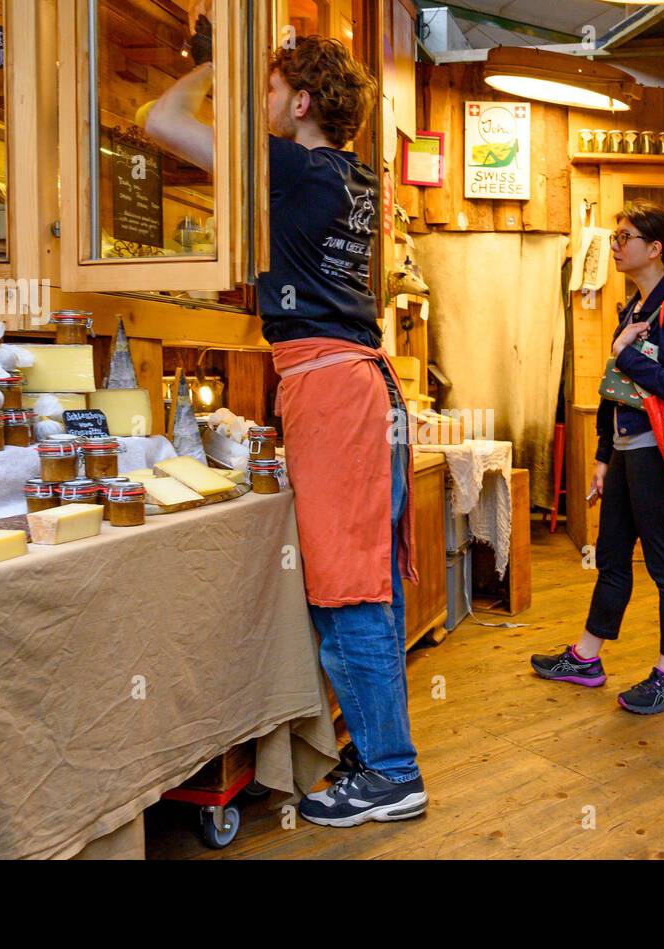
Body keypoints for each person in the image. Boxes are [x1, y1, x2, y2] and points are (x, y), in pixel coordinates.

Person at [146, 31, 427, 827]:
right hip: (360, 385)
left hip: (334, 393)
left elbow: (161, 117)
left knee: (347, 590)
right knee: (365, 583)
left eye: (270, 93)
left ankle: (391, 771)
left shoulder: (292, 165)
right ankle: (384, 757)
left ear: (300, 103)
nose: (262, 109)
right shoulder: (356, 177)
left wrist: (213, 60)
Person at [529, 202, 664, 715]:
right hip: (628, 453)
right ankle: (587, 656)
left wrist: (625, 351)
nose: (615, 246)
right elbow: (615, 390)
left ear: (655, 249)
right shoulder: (636, 307)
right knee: (610, 556)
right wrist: (604, 455)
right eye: (615, 237)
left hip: (658, 456)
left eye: (624, 238)